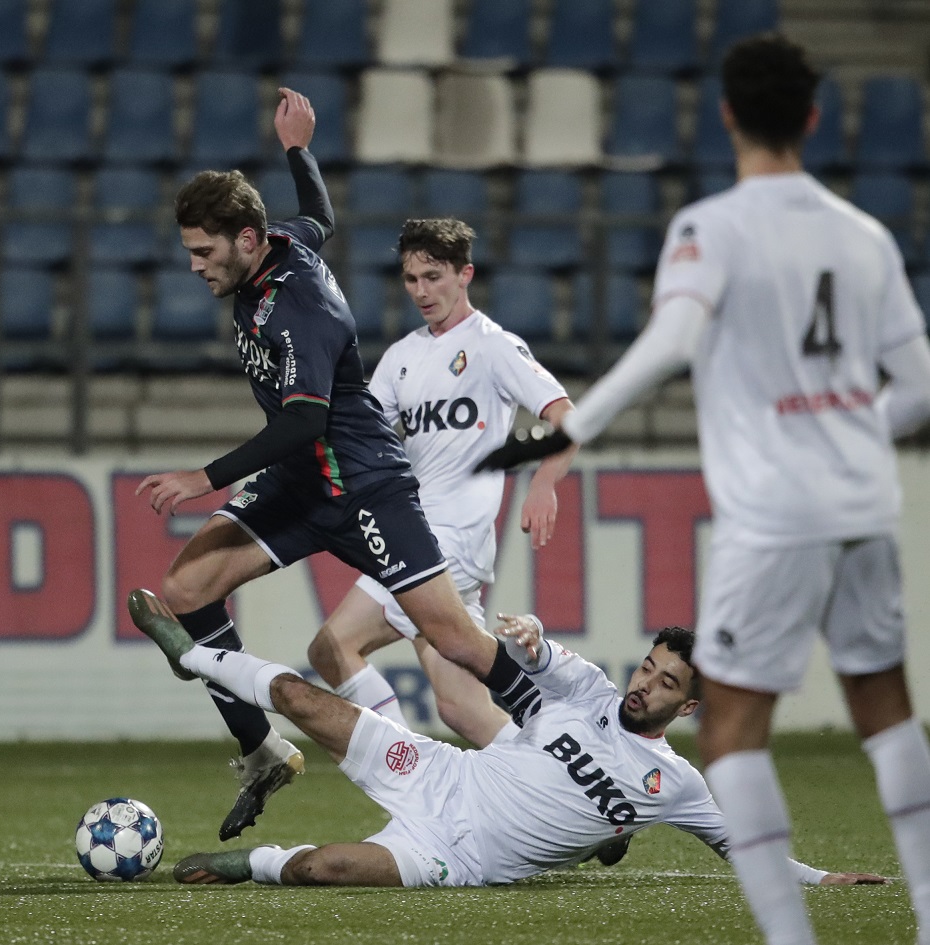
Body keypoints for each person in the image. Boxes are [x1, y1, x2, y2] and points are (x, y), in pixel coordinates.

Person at [477, 35, 930, 945]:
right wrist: (844, 433)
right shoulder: (866, 235)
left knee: (730, 736)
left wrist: (574, 426)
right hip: (864, 503)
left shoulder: (710, 228)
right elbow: (917, 386)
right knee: (887, 716)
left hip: (774, 516)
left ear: (725, 115)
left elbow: (674, 338)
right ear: (812, 118)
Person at [136, 90, 543, 841]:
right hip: (301, 480)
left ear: (248, 239)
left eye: (203, 252)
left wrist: (207, 476)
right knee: (187, 585)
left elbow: (304, 419)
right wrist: (299, 149)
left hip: (362, 484)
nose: (194, 266)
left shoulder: (301, 307)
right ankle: (261, 749)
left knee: (453, 641)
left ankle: (564, 743)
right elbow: (321, 213)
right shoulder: (283, 243)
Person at [127, 588, 885, 890]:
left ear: (686, 706)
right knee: (299, 695)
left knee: (325, 867)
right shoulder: (589, 688)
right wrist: (529, 634)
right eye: (648, 666)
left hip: (456, 857)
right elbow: (537, 657)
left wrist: (822, 882)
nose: (643, 683)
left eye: (662, 683)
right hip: (437, 776)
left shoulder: (677, 784)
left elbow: (742, 849)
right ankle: (189, 653)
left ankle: (242, 864)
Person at [308, 218, 575, 750]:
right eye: (411, 279)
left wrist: (545, 482)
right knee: (461, 707)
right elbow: (363, 434)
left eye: (434, 276)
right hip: (424, 536)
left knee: (334, 647)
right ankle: (569, 788)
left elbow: (566, 415)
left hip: (446, 539)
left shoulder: (493, 346)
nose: (422, 291)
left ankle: (408, 773)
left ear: (465, 274)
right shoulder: (403, 357)